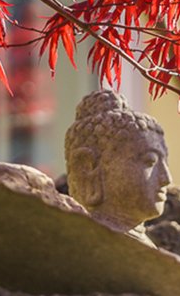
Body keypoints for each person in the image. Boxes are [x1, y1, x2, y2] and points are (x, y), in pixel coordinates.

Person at [64, 89, 172, 239]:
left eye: (165, 163)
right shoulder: (89, 241)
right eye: (150, 161)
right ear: (88, 167)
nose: (166, 178)